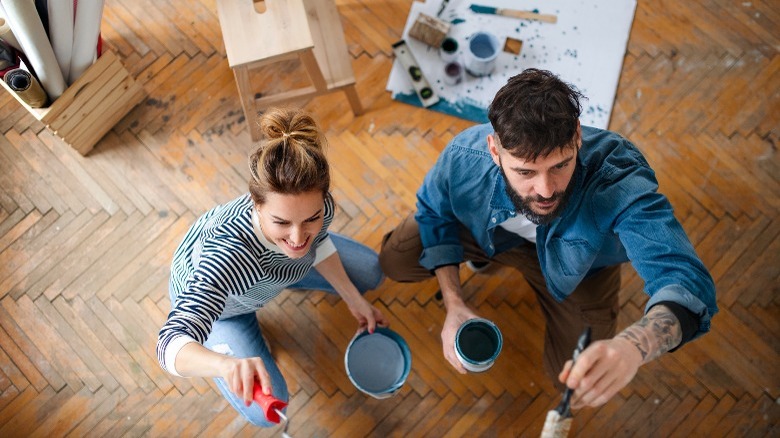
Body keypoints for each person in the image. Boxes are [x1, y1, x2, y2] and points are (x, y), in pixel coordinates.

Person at [379, 69, 717, 409]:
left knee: (573, 380)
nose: (545, 191)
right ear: (494, 151)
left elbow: (684, 280)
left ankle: (497, 263)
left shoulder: (617, 176)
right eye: (525, 172)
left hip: (583, 270)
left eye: (560, 165)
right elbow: (434, 213)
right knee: (396, 258)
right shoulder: (465, 157)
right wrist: (453, 301)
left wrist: (634, 345)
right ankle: (486, 256)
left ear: (577, 137)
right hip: (495, 237)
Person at [156, 107, 387, 426]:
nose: (297, 237)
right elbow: (169, 344)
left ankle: (292, 274)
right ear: (256, 204)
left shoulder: (318, 210)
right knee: (267, 411)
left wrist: (351, 297)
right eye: (281, 222)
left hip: (274, 275)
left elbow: (316, 245)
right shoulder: (224, 256)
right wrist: (224, 365)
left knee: (371, 272)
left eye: (312, 219)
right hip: (228, 308)